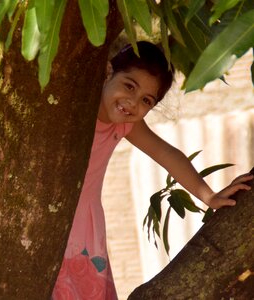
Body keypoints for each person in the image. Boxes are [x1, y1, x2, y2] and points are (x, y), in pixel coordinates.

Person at [51, 41, 253, 299]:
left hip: (83, 227)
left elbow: (165, 153)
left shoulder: (124, 125)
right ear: (108, 72)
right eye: (129, 86)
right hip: (44, 214)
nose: (132, 102)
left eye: (146, 100)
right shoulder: (71, 109)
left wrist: (209, 196)